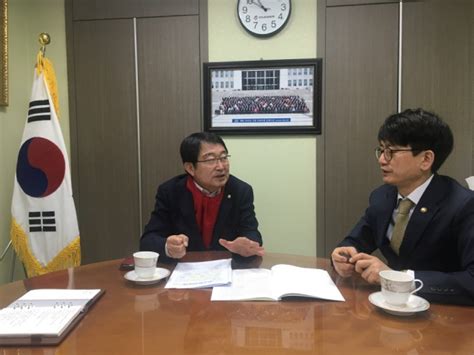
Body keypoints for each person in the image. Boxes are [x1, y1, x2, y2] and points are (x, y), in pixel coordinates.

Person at [331, 108, 474, 305]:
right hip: (392, 306)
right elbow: (355, 241)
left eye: (392, 152)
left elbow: (471, 280)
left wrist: (402, 280)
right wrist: (341, 255)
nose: (382, 159)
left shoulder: (463, 205)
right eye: (381, 150)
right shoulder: (382, 196)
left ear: (426, 159)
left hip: (447, 313)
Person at [140, 132, 264, 259]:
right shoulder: (170, 192)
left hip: (227, 268)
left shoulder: (241, 191)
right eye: (211, 160)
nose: (221, 167)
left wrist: (247, 245)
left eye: (223, 157)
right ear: (190, 168)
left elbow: (252, 234)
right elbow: (148, 241)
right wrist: (167, 246)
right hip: (185, 269)